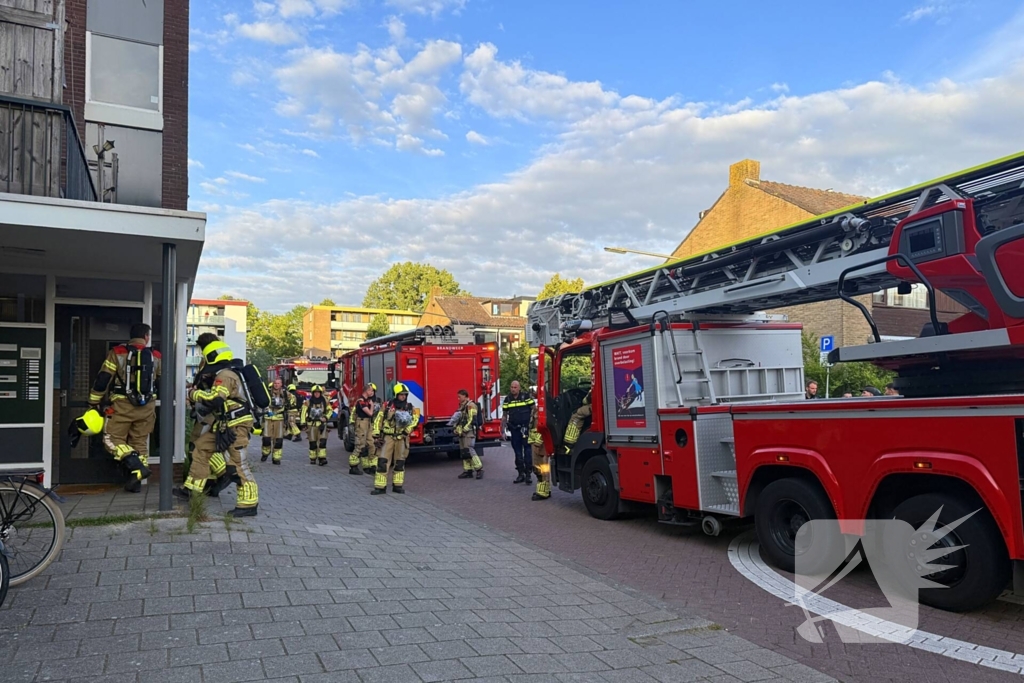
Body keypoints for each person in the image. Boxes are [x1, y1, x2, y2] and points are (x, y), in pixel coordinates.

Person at [174, 338, 258, 517]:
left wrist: (193, 393)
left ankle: (249, 504)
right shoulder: (227, 373)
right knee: (201, 448)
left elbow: (216, 398)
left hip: (236, 425)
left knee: (238, 464)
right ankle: (192, 488)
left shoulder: (225, 375)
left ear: (211, 357)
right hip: (224, 424)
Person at [88, 323, 161, 492]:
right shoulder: (156, 356)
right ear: (146, 337)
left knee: (111, 440)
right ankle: (136, 481)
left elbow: (103, 379)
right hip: (147, 407)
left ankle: (135, 465)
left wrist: (93, 401)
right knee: (140, 442)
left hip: (122, 405)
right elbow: (161, 380)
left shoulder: (118, 353)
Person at [371, 383, 419, 494]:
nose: (403, 397)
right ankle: (380, 486)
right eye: (401, 395)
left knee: (400, 462)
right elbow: (378, 419)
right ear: (396, 395)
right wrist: (376, 433)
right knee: (383, 461)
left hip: (402, 438)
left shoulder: (410, 407)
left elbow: (415, 420)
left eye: (405, 395)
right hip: (388, 437)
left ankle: (397, 486)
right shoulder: (387, 406)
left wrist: (408, 430)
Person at [501, 380, 535, 484]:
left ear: (519, 388)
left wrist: (531, 423)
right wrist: (502, 430)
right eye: (511, 387)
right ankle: (521, 474)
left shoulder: (526, 397)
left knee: (528, 452)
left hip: (525, 428)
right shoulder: (507, 399)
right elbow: (504, 415)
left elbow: (534, 409)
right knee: (517, 453)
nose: (513, 389)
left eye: (515, 387)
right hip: (514, 429)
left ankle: (528, 474)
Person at [455, 389, 484, 479]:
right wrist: (456, 428)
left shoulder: (471, 406)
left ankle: (479, 469)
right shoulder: (462, 406)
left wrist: (464, 429)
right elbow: (460, 419)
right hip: (462, 433)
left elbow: (472, 420)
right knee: (464, 452)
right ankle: (468, 471)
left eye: (459, 396)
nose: (458, 398)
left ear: (464, 396)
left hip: (469, 432)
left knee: (470, 450)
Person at [301, 385, 333, 466]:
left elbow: (330, 411)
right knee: (312, 442)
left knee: (322, 441)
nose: (317, 394)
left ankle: (322, 458)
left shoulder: (325, 401)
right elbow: (303, 413)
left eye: (318, 392)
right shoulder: (308, 402)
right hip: (311, 424)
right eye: (315, 392)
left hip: (321, 424)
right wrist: (303, 423)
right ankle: (313, 458)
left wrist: (326, 417)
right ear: (313, 393)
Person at [349, 383, 376, 475]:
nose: (372, 392)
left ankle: (370, 466)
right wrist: (372, 406)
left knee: (371, 444)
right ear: (367, 391)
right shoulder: (361, 401)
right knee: (360, 445)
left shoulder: (367, 400)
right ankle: (353, 466)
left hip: (367, 423)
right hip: (361, 423)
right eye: (371, 390)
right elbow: (370, 413)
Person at [262, 378, 291, 464]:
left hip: (279, 418)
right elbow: (262, 403)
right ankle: (265, 453)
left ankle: (276, 458)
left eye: (278, 383)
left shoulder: (285, 394)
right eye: (275, 383)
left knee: (278, 440)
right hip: (268, 418)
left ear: (281, 384)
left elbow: (292, 403)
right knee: (266, 439)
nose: (276, 385)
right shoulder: (267, 393)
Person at [528, 403, 551, 501]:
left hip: (541, 444)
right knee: (538, 468)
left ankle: (543, 492)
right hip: (535, 443)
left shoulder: (544, 411)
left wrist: (538, 443)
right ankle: (545, 489)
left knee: (542, 468)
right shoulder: (536, 409)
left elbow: (544, 428)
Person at [562, 389, 592, 455]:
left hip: (594, 407)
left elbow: (585, 401)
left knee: (576, 415)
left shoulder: (594, 389)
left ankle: (569, 443)